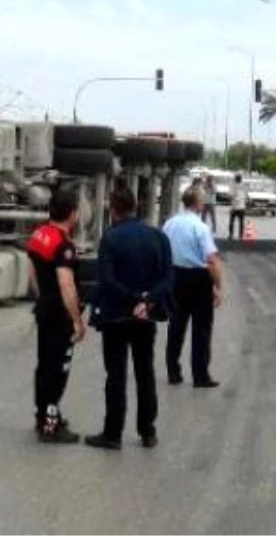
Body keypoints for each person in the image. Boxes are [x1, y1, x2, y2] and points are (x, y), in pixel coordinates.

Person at [84, 185, 174, 450]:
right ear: (136, 208)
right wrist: (147, 300)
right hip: (145, 316)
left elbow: (106, 279)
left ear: (113, 210)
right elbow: (168, 278)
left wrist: (131, 298)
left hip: (115, 315)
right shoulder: (158, 238)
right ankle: (148, 431)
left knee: (116, 375)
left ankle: (113, 434)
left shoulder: (110, 238)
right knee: (145, 372)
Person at [26, 188, 85, 443]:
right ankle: (51, 425)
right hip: (59, 316)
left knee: (44, 366)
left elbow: (32, 273)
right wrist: (76, 319)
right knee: (58, 370)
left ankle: (43, 416)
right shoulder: (64, 245)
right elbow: (67, 286)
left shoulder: (39, 235)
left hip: (44, 309)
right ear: (72, 214)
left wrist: (43, 298)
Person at [162, 187, 225, 388]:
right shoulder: (200, 227)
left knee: (176, 326)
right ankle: (200, 375)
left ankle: (173, 371)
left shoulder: (170, 224)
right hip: (198, 279)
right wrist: (218, 286)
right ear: (198, 204)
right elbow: (211, 260)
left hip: (175, 276)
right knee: (201, 329)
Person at [228, 173, 248, 240]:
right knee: (241, 222)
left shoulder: (233, 186)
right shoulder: (244, 186)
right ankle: (241, 235)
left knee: (231, 221)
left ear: (235, 179)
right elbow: (246, 196)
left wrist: (231, 200)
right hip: (242, 207)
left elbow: (230, 196)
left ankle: (231, 235)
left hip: (234, 206)